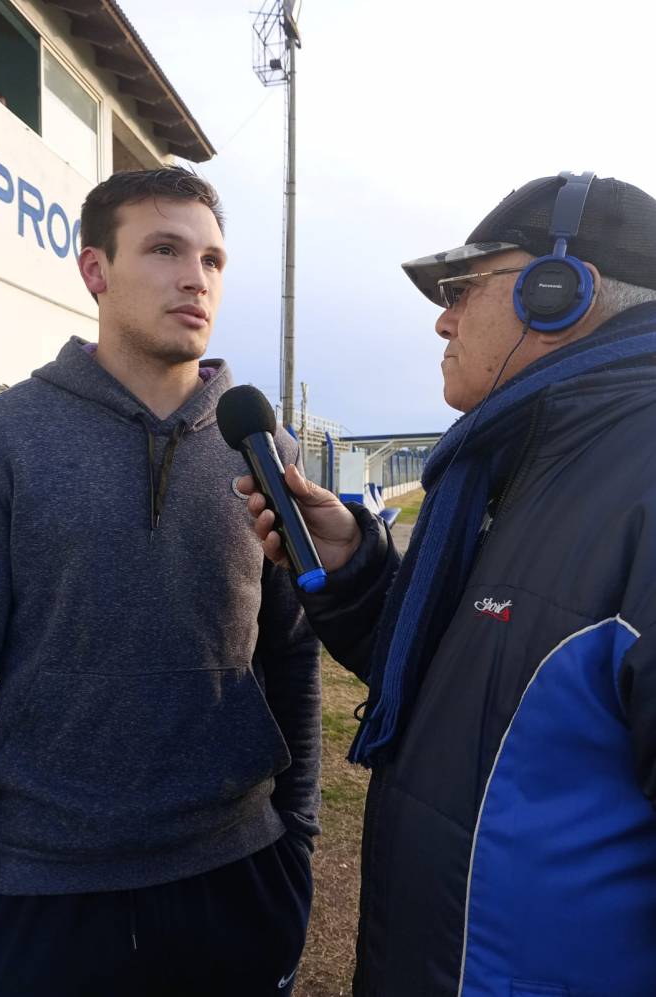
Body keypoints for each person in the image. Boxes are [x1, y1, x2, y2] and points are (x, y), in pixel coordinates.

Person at [0, 167, 321, 996]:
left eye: (211, 259)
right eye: (164, 249)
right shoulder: (0, 442)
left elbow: (291, 655)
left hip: (238, 871)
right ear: (95, 270)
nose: (193, 278)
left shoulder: (256, 448)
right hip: (47, 892)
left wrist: (297, 838)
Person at [241, 173, 656, 996]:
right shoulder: (511, 473)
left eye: (462, 288)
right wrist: (356, 568)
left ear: (559, 290)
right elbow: (471, 688)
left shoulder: (636, 479)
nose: (442, 317)